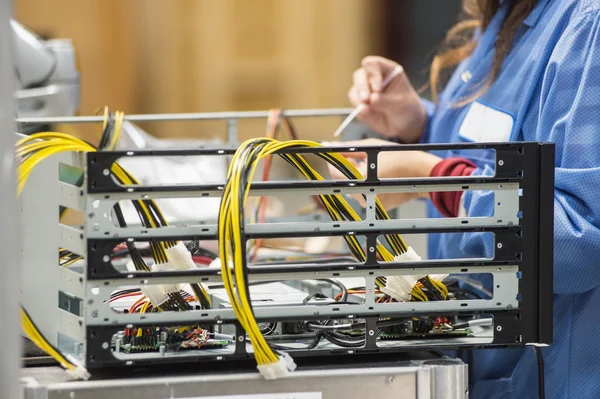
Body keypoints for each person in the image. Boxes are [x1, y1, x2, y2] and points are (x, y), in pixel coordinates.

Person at [328, 0, 600, 398]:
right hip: (472, 361)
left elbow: (577, 241)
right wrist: (417, 123)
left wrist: (435, 177)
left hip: (551, 378)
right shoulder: (507, 14)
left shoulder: (587, 23)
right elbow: (494, 149)